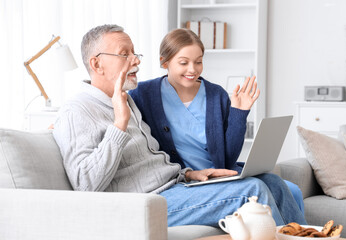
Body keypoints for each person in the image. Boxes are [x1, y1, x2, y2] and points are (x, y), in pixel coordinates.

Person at [53, 24, 306, 227]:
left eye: (134, 53)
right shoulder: (77, 110)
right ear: (96, 64)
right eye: (124, 54)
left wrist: (189, 174)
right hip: (148, 201)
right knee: (252, 190)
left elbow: (152, 162)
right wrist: (119, 125)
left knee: (273, 183)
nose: (136, 61)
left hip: (175, 186)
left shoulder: (126, 100)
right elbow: (85, 185)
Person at [129, 28, 305, 214]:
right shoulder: (143, 94)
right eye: (183, 62)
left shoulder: (216, 94)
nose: (192, 69)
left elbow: (228, 158)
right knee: (260, 186)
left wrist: (240, 112)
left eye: (198, 62)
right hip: (189, 180)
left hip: (220, 174)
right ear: (164, 62)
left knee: (278, 183)